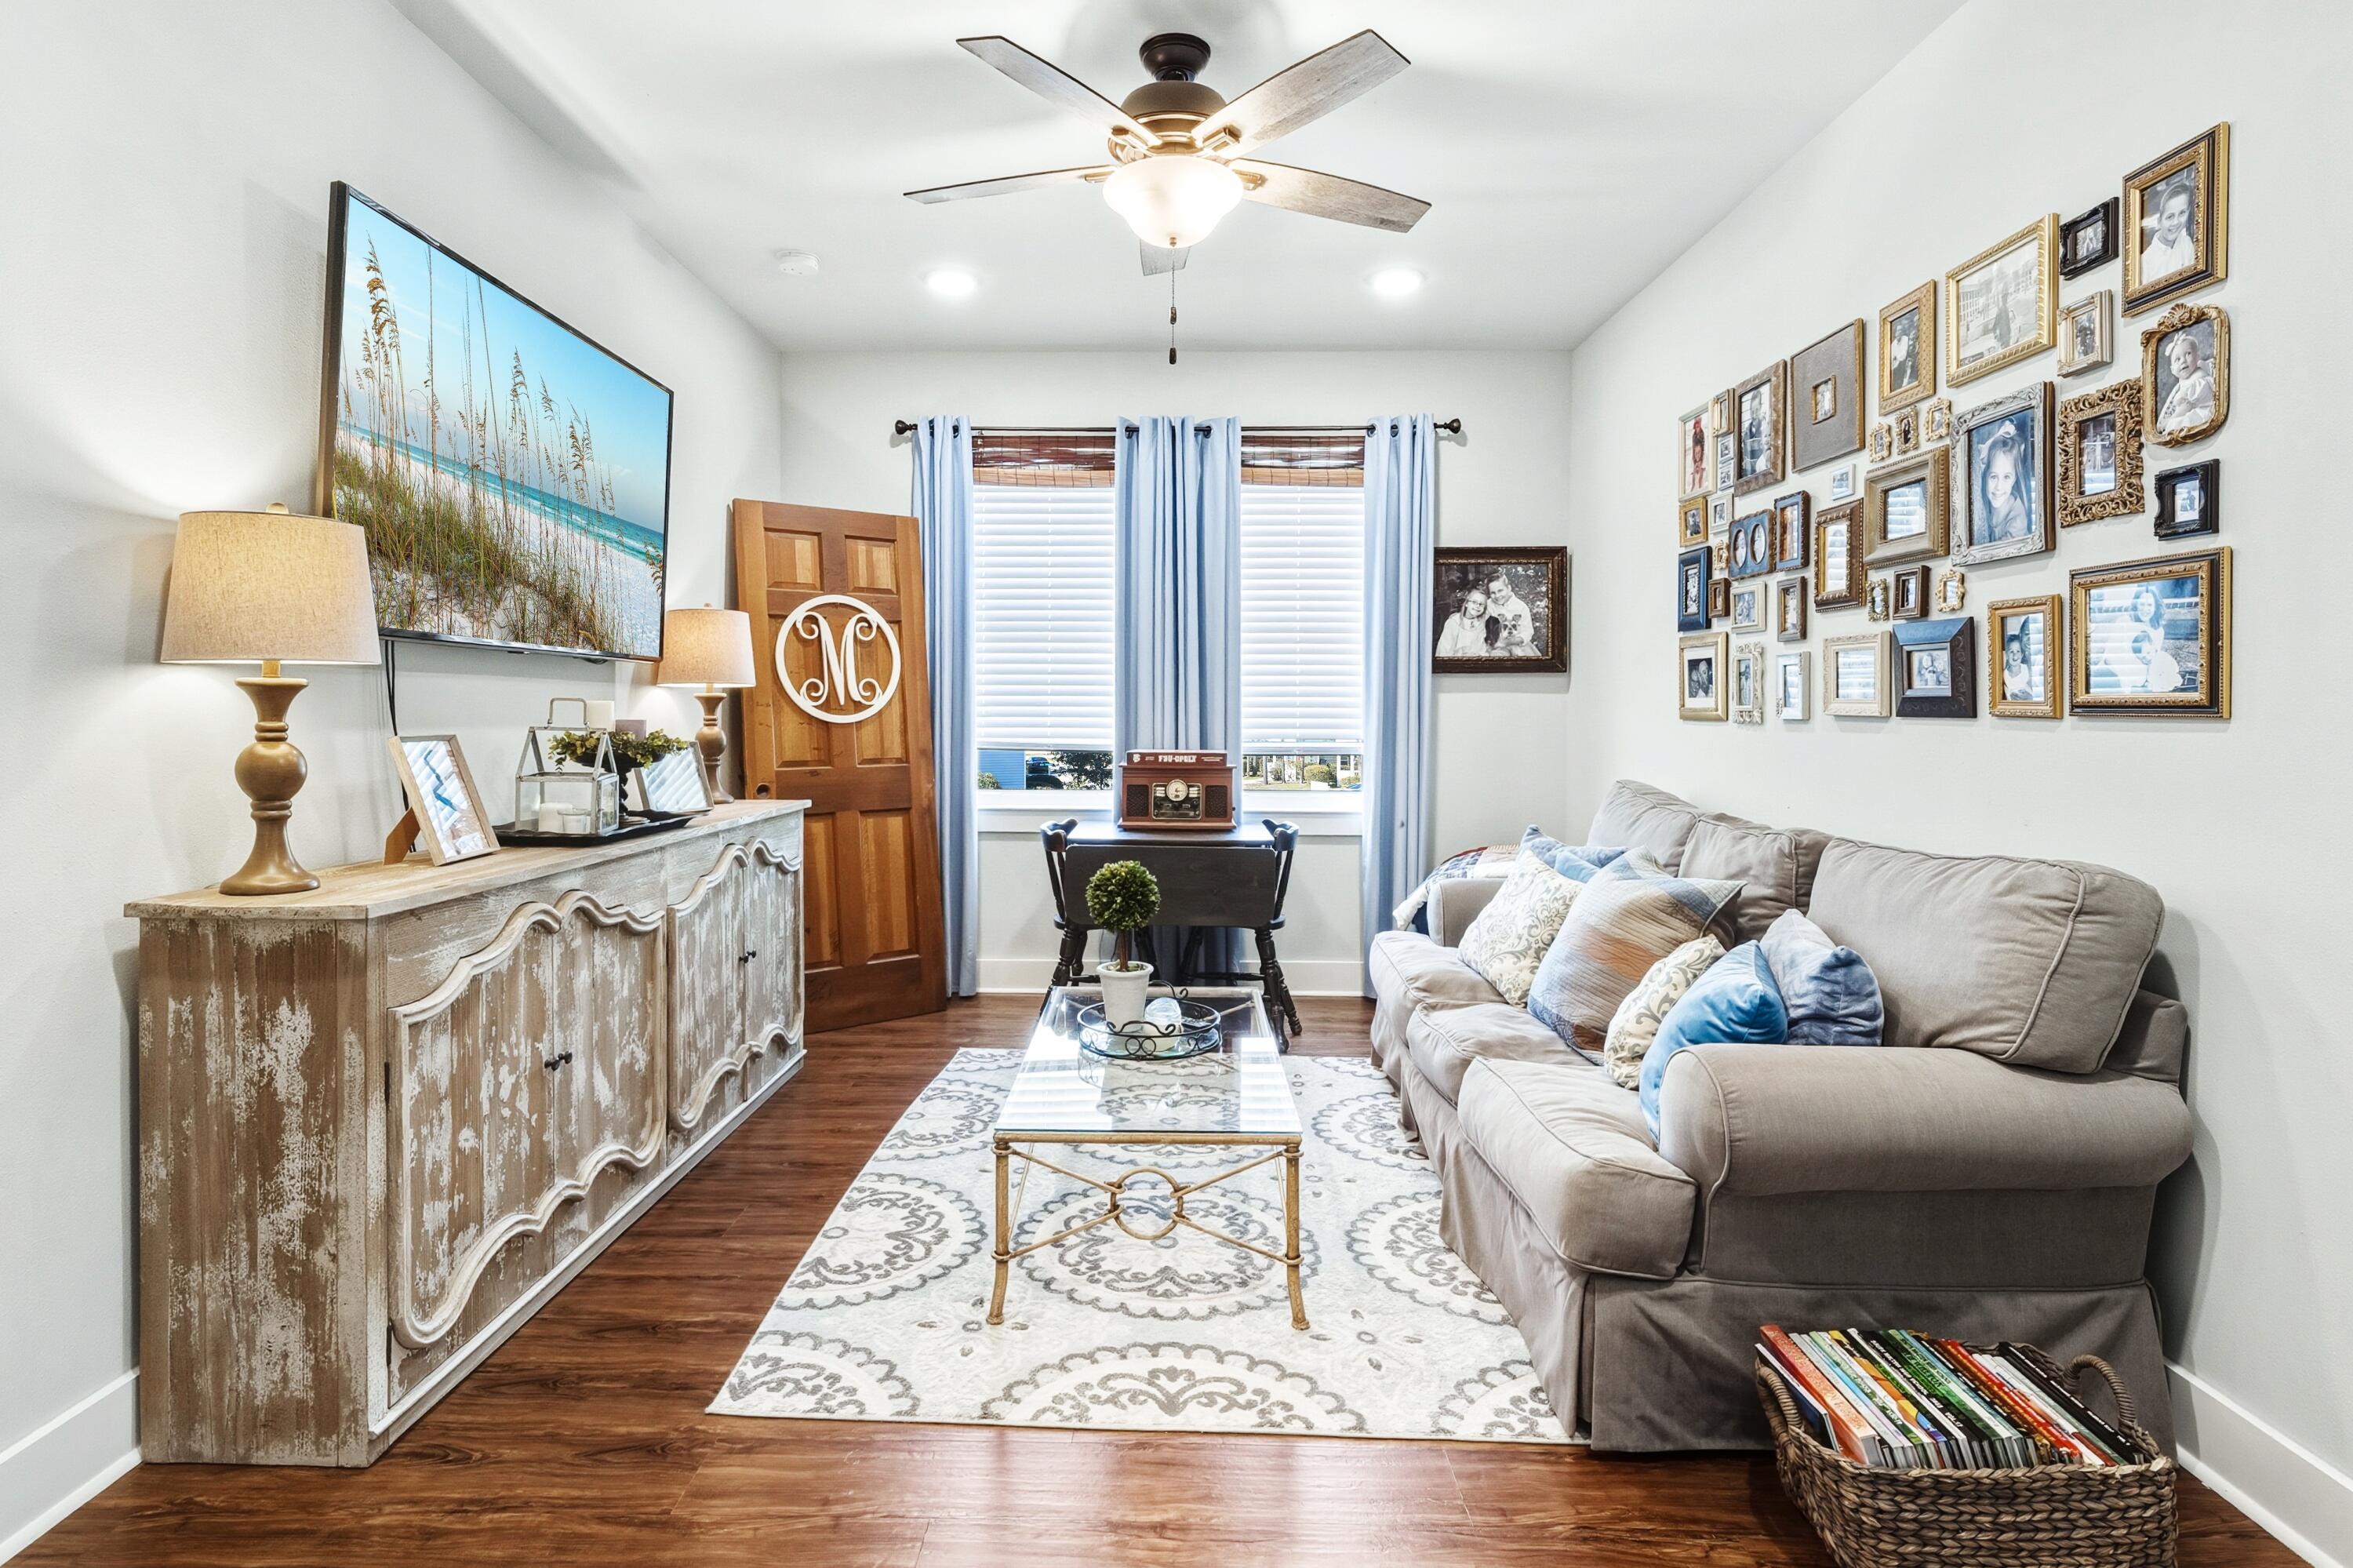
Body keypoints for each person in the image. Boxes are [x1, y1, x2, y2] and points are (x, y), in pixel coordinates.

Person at [1976, 421, 2031, 542]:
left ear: (2014, 479)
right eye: (1993, 477)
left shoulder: (2017, 517)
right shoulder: (1982, 502)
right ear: (1985, 476)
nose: (1999, 487)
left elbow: (2003, 551)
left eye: (2006, 477)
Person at [2157, 329, 2215, 433]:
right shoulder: (2183, 384)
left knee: (2177, 424)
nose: (2183, 361)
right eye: (2177, 359)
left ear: (2198, 357)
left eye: (2188, 354)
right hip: (2197, 411)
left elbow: (2187, 406)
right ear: (2173, 370)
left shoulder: (2197, 378)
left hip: (2204, 412)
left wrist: (2171, 419)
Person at [2141, 183, 2195, 280]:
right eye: (2170, 217)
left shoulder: (2186, 243)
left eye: (2182, 213)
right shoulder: (2145, 261)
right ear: (2159, 222)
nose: (2176, 222)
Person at [1484, 570, 1537, 657]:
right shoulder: (1489, 605)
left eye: (1500, 591)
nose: (1497, 596)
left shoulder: (1521, 607)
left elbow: (1527, 632)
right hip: (1496, 646)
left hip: (1518, 645)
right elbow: (1481, 625)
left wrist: (1508, 642)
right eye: (1493, 593)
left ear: (1509, 588)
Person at [1435, 585, 1491, 658]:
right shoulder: (1453, 623)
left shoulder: (1481, 624)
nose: (1478, 606)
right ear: (1467, 603)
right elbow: (1444, 653)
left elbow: (1482, 650)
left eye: (1481, 604)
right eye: (1474, 602)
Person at [2003, 629, 2040, 700]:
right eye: (2011, 652)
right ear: (2007, 655)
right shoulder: (2005, 674)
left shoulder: (2026, 669)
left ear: (2022, 654)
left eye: (2018, 651)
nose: (2015, 655)